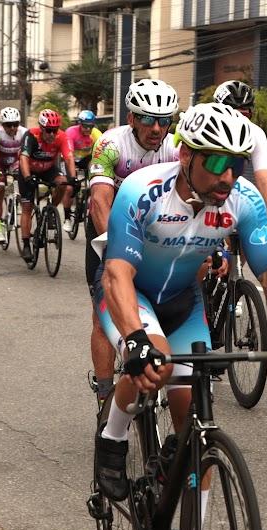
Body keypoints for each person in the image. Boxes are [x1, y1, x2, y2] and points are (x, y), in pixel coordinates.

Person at [92, 106, 267, 530]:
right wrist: (136, 341)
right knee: (156, 362)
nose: (228, 175)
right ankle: (113, 436)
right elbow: (117, 273)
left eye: (237, 163)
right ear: (187, 155)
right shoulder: (142, 190)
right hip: (129, 293)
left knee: (196, 425)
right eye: (216, 162)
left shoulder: (242, 199)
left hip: (182, 302)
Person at [87, 78, 180, 409]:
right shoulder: (111, 145)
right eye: (147, 119)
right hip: (112, 225)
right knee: (105, 314)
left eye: (164, 120)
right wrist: (114, 252)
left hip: (156, 229)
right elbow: (100, 202)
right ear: (131, 118)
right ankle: (104, 392)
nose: (156, 128)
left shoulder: (175, 148)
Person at [213, 80, 267, 247]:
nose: (239, 120)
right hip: (209, 194)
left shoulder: (255, 133)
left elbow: (264, 179)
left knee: (250, 243)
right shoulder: (209, 131)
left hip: (237, 194)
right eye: (233, 113)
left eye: (244, 114)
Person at [17, 108, 77, 261]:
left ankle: (51, 210)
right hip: (29, 170)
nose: (52, 134)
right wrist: (27, 177)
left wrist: (74, 179)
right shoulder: (31, 135)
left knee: (63, 183)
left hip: (48, 169)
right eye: (49, 130)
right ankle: (26, 244)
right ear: (41, 128)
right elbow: (23, 158)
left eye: (54, 130)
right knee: (27, 206)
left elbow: (69, 158)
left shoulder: (62, 137)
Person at [0, 107, 27, 244]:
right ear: (2, 125)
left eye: (15, 124)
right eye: (8, 125)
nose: (12, 128)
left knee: (23, 184)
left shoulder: (24, 132)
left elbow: (25, 153)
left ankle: (14, 198)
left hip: (14, 162)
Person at [64, 109, 102, 181]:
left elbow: (103, 150)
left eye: (91, 126)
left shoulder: (96, 133)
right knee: (71, 178)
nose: (88, 129)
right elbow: (68, 155)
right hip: (72, 159)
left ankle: (93, 182)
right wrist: (73, 178)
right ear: (80, 124)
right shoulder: (71, 132)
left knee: (95, 163)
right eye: (85, 126)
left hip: (86, 159)